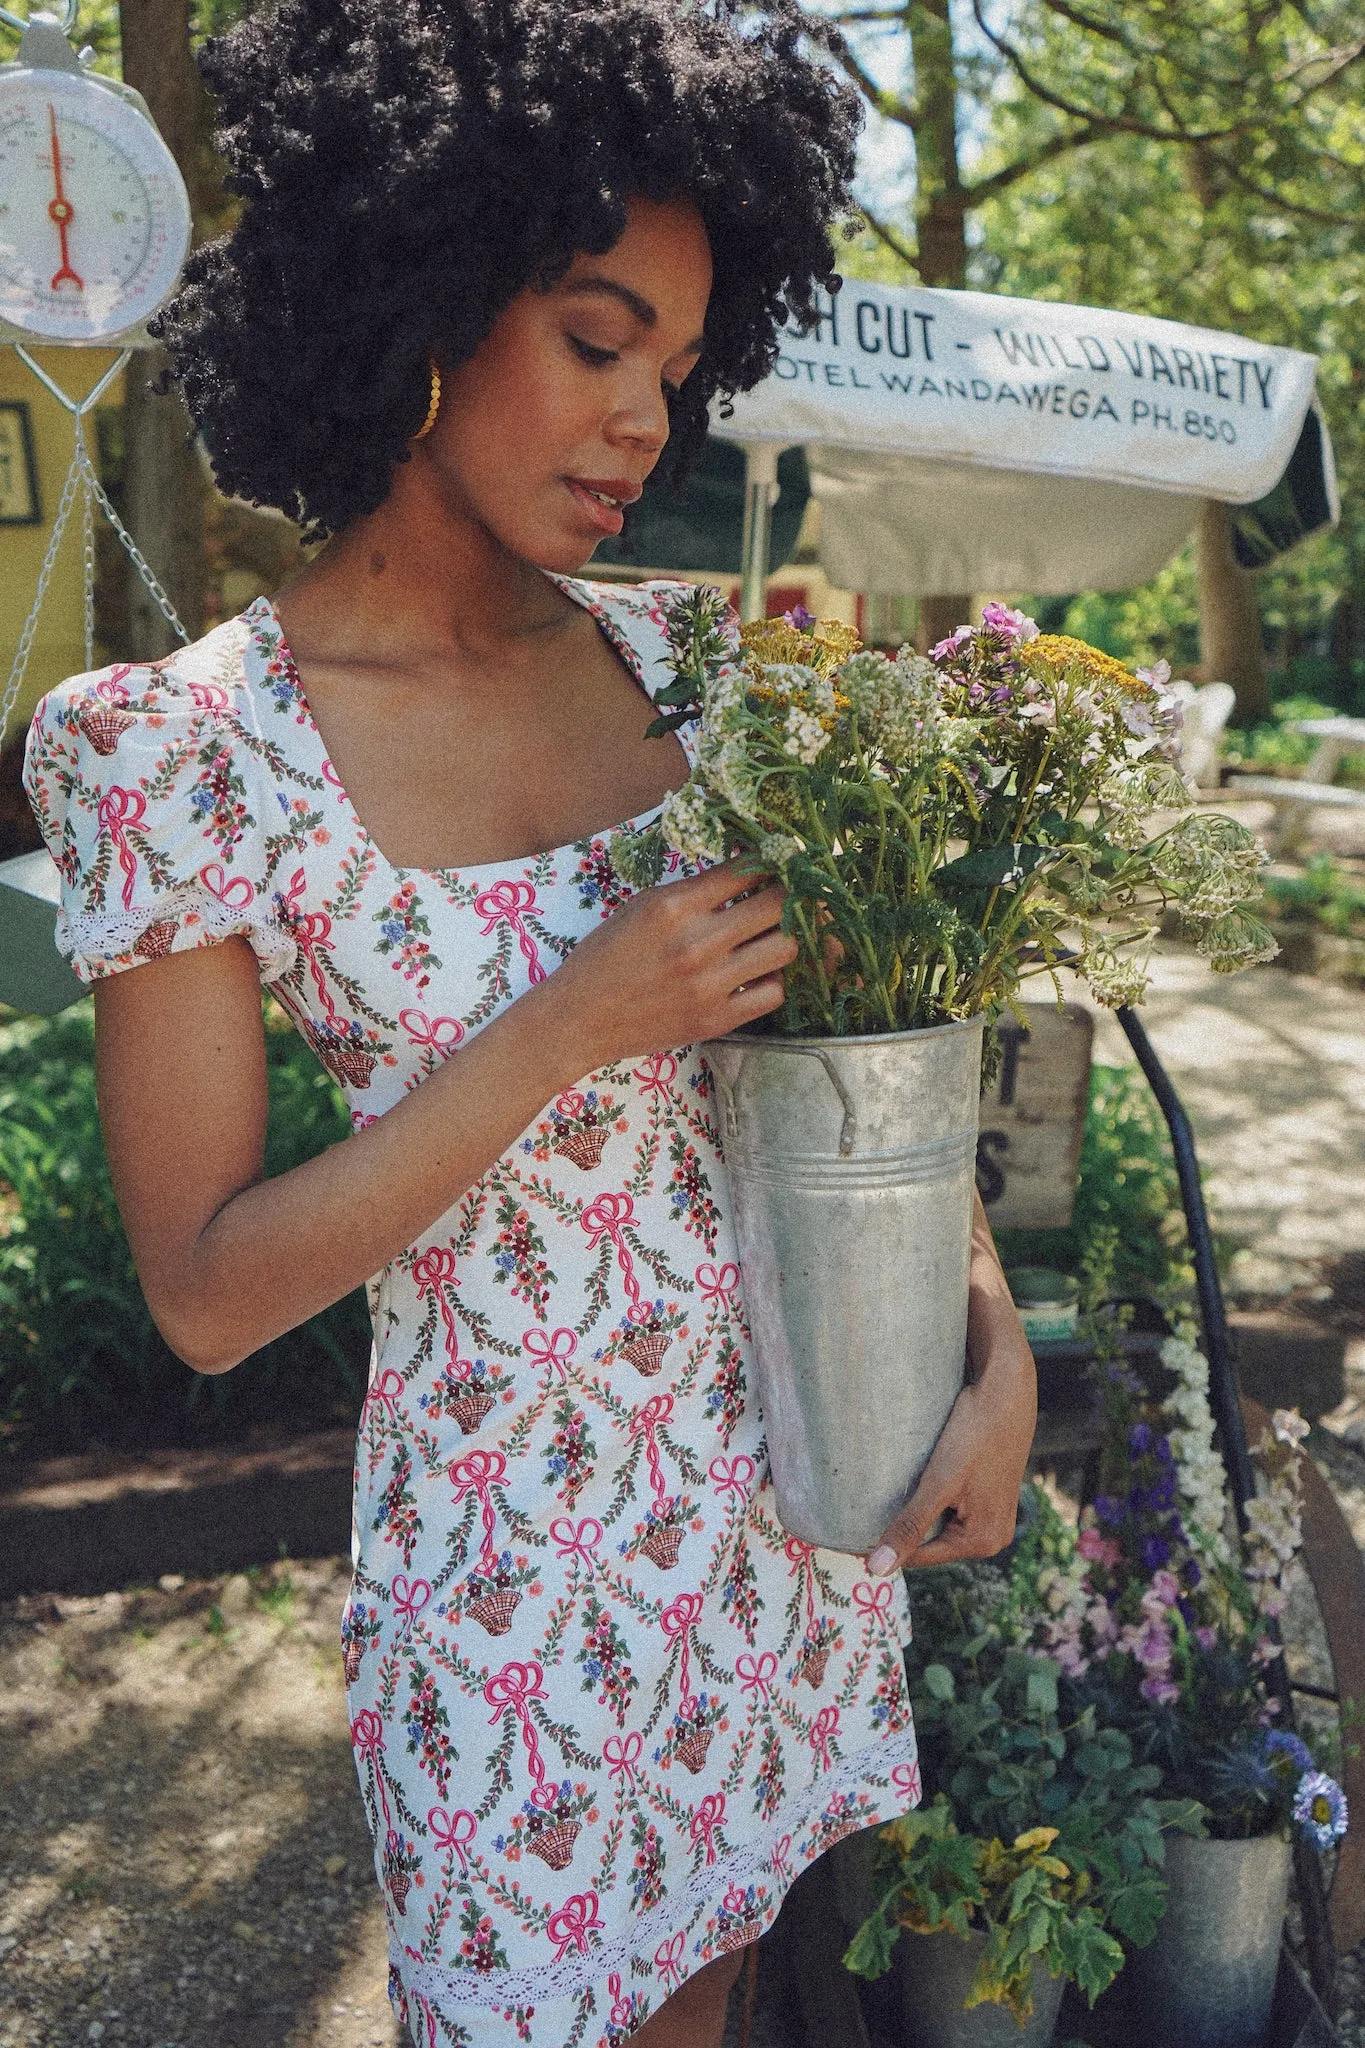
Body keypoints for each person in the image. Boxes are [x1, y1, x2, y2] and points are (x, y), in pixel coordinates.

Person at [24, 3, 1036, 2042]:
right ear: (423, 298)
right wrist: (568, 1025)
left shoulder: (701, 675)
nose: (647, 419)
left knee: (734, 1991)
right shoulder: (186, 750)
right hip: (516, 1596)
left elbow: (861, 1069)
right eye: (594, 340)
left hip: (784, 1514)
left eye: (674, 363)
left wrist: (991, 1349)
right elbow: (210, 1293)